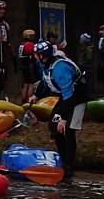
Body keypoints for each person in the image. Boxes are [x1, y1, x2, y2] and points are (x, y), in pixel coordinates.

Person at [28, 40, 88, 179]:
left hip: (77, 99)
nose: (35, 57)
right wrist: (36, 95)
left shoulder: (60, 68)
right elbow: (46, 83)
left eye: (37, 54)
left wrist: (64, 118)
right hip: (66, 99)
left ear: (43, 55)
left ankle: (69, 165)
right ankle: (64, 159)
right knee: (54, 126)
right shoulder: (44, 65)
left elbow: (70, 96)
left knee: (68, 130)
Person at [18, 29, 38, 104]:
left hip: (23, 65)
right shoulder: (29, 44)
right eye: (32, 36)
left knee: (26, 84)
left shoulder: (22, 44)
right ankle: (29, 100)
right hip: (29, 66)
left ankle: (23, 100)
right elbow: (34, 54)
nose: (33, 37)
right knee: (31, 84)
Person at [77, 33, 95, 99]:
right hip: (82, 68)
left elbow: (88, 59)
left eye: (81, 39)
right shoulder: (83, 48)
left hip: (86, 69)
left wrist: (82, 66)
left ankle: (88, 96)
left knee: (87, 83)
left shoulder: (88, 49)